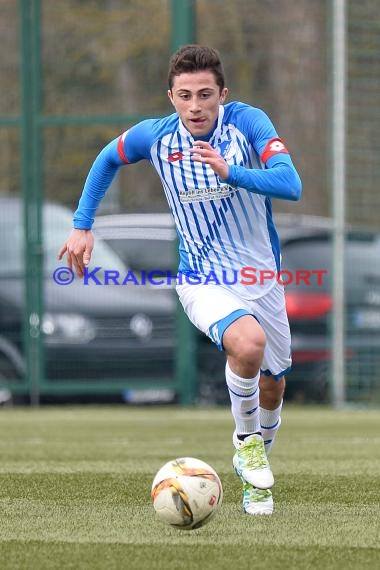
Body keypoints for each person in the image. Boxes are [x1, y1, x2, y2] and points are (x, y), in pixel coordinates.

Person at [58, 45, 302, 515]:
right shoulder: (156, 136)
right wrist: (83, 224)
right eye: (185, 95)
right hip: (201, 278)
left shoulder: (249, 124)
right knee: (246, 344)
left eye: (205, 94)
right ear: (171, 96)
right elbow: (108, 157)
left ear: (222, 94)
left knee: (274, 386)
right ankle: (246, 443)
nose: (195, 106)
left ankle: (254, 474)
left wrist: (231, 172)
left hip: (261, 278)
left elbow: (290, 183)